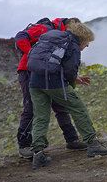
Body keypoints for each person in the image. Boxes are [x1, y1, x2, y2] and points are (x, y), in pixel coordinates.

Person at [28, 22, 107, 170]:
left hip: (34, 82)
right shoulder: (72, 45)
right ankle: (92, 144)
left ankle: (38, 154)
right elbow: (69, 70)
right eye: (87, 43)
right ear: (82, 38)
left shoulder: (55, 38)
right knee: (78, 108)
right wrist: (72, 82)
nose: (87, 46)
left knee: (41, 117)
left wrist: (75, 79)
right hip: (53, 83)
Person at [14, 17, 86, 159]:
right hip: (29, 72)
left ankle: (72, 139)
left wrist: (74, 77)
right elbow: (20, 37)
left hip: (49, 74)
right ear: (68, 25)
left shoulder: (61, 36)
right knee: (32, 108)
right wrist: (32, 54)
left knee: (60, 105)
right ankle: (25, 145)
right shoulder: (46, 29)